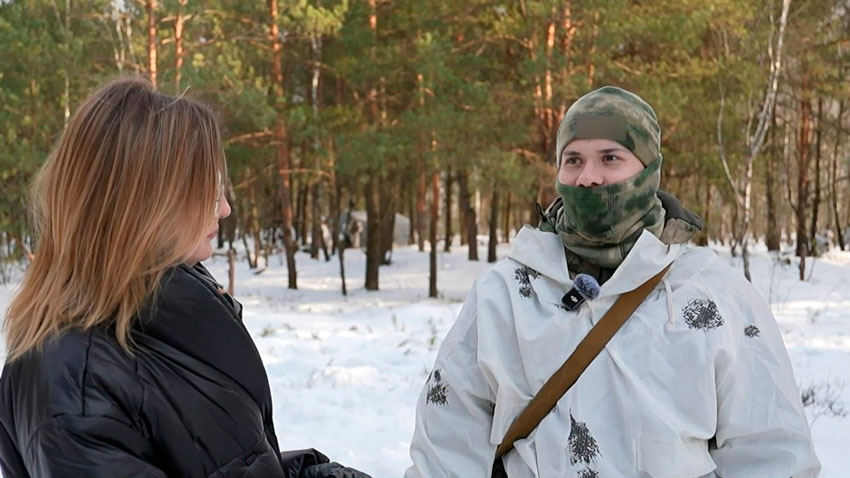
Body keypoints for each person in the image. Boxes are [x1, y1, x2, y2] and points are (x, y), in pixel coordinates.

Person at [405, 86, 820, 477]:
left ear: (650, 170)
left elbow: (770, 451)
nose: (589, 177)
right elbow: (446, 444)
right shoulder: (505, 293)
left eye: (610, 158)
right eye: (573, 160)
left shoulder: (713, 292)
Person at [0, 78, 370, 478]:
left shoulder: (161, 327)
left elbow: (221, 464)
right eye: (210, 192)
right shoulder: (75, 385)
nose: (225, 209)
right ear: (146, 204)